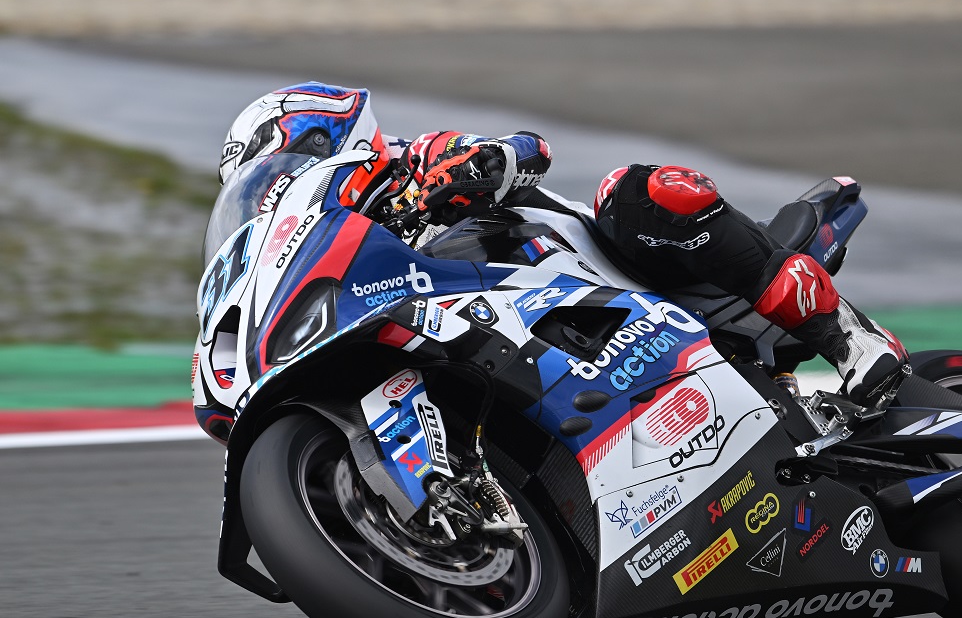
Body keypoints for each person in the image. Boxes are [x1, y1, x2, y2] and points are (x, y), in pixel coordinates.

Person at [219, 82, 908, 407]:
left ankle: (847, 339)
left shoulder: (411, 162)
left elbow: (530, 149)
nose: (270, 197)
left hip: (629, 282)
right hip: (526, 358)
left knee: (636, 193)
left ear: (319, 140)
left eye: (273, 176)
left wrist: (476, 165)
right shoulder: (338, 262)